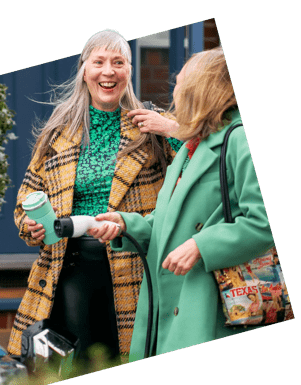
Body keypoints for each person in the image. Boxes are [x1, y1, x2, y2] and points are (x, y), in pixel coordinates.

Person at [7, 29, 181, 368]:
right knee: (81, 364)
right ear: (84, 70)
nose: (108, 71)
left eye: (119, 62)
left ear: (129, 70)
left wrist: (171, 129)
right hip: (69, 268)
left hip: (136, 265)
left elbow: (202, 162)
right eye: (98, 62)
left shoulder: (152, 125)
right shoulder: (58, 132)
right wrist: (31, 226)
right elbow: (25, 199)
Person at [89, 46, 275, 361]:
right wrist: (126, 225)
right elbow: (169, 221)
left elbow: (265, 222)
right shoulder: (195, 145)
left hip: (211, 311)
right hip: (167, 306)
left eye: (181, 82)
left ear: (203, 89)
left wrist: (202, 245)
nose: (175, 90)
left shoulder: (241, 139)